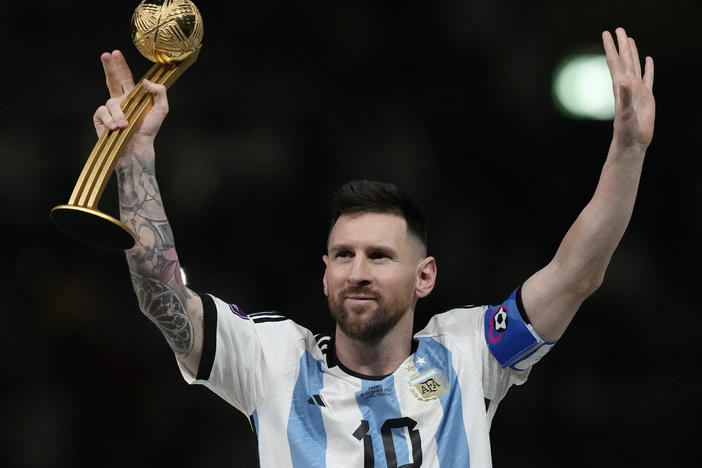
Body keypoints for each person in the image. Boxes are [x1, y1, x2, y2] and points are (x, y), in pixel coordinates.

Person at [93, 27, 654, 467]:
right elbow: (161, 296)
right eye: (344, 255)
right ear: (324, 273)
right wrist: (135, 161)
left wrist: (628, 149)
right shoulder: (273, 361)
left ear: (424, 276)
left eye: (380, 256)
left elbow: (577, 272)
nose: (357, 271)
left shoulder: (469, 354)